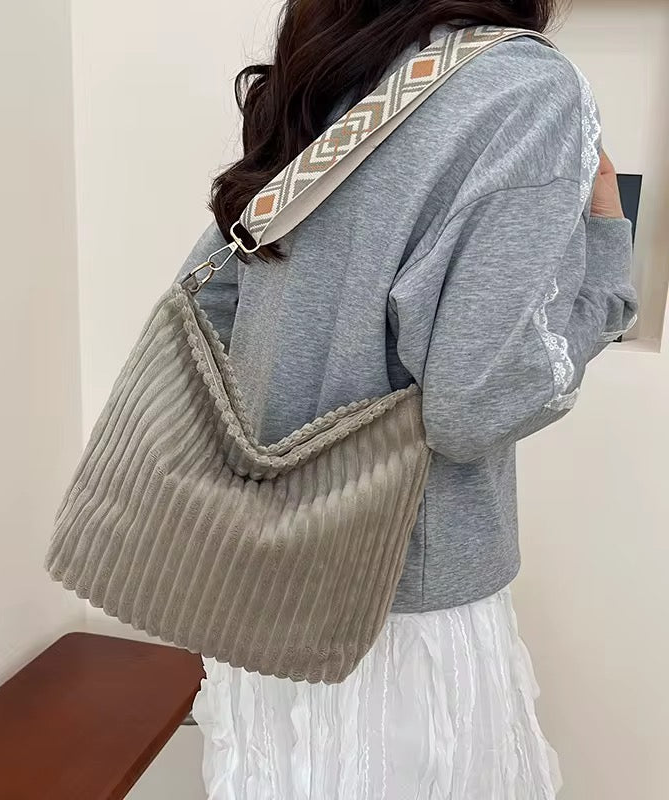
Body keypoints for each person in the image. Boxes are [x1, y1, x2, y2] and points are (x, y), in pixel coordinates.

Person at [177, 2, 638, 798]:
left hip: (256, 583)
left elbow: (212, 299)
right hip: (397, 615)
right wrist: (606, 269)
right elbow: (475, 402)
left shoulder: (330, 68)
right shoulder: (523, 87)